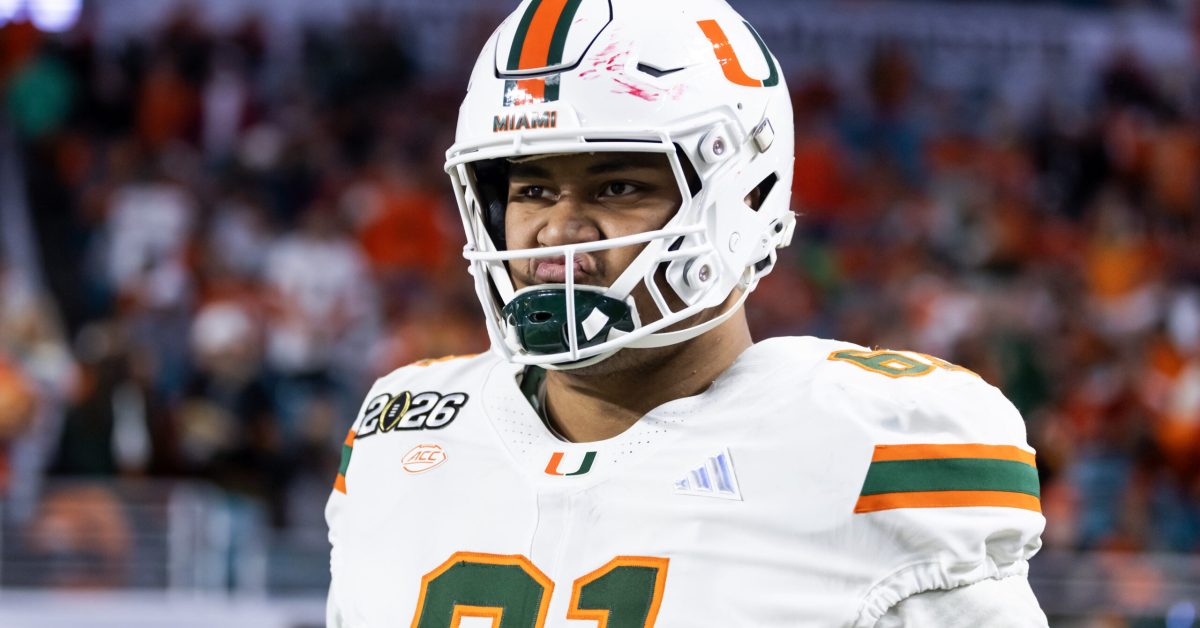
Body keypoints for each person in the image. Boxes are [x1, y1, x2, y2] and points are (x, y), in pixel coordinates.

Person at [326, 0, 1047, 625]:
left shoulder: (871, 445)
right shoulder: (405, 432)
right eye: (532, 191)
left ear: (744, 197)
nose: (558, 233)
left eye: (616, 187)